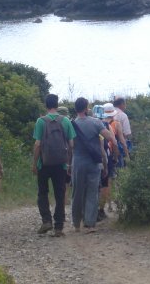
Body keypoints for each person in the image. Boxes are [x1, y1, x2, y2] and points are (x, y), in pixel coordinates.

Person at [70, 97, 118, 233]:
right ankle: (89, 223)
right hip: (93, 163)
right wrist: (113, 154)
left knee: (77, 192)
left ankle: (76, 223)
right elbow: (110, 138)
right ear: (86, 109)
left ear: (75, 108)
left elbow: (70, 145)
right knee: (92, 192)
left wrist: (69, 164)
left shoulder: (71, 124)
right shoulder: (96, 123)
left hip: (78, 162)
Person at [32, 94, 75, 236]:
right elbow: (71, 144)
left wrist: (34, 163)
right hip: (61, 164)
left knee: (42, 192)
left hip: (43, 163)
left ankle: (46, 221)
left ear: (46, 105)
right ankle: (58, 227)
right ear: (57, 105)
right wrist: (69, 162)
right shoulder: (66, 121)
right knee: (60, 194)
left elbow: (37, 144)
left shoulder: (40, 121)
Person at [97, 102, 130, 220]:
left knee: (101, 183)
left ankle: (106, 204)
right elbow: (121, 140)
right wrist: (126, 154)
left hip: (98, 155)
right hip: (110, 154)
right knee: (110, 180)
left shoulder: (98, 123)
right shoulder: (116, 124)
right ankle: (109, 204)